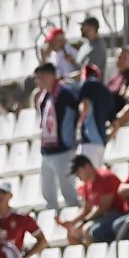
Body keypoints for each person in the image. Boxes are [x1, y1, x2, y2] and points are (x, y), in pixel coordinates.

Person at [33, 62, 83, 212]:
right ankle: (52, 220)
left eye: (40, 77)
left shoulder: (64, 92)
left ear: (50, 76)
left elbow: (79, 109)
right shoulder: (44, 96)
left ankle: (74, 219)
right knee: (48, 192)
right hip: (47, 150)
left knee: (68, 191)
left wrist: (74, 134)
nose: (38, 81)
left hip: (63, 149)